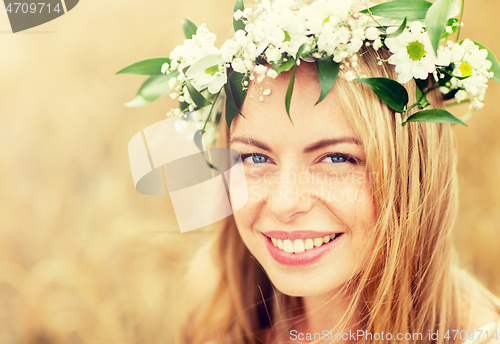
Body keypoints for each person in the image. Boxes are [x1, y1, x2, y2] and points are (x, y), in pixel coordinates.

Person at [122, 0, 500, 342]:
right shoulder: (216, 306)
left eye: (336, 159)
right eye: (255, 158)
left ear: (413, 170)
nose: (285, 204)